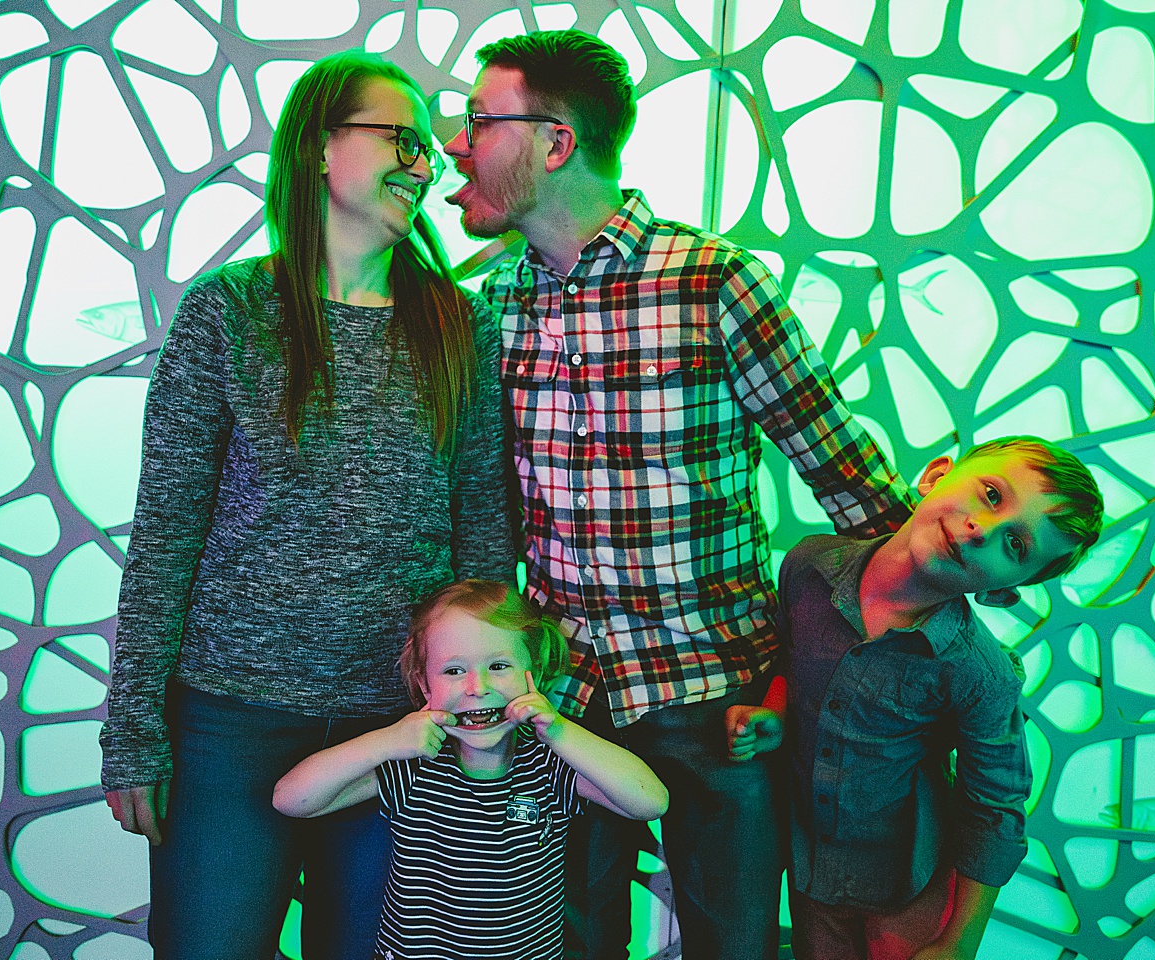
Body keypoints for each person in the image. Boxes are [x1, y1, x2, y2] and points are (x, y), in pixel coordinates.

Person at [441, 28, 915, 960]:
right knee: (559, 943)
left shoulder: (714, 279)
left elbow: (839, 465)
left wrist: (938, 601)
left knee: (732, 943)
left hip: (717, 693)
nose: (458, 144)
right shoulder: (494, 304)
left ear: (555, 140)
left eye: (478, 121)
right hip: (565, 692)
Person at [98, 51, 514, 960]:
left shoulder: (460, 326)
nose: (425, 162)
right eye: (401, 139)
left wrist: (482, 712)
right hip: (227, 724)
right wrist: (132, 726)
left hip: (398, 725)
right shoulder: (229, 312)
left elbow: (484, 533)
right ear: (321, 148)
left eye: (426, 149)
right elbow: (166, 533)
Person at [727, 436, 1103, 960]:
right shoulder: (808, 567)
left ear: (1002, 591)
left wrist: (958, 943)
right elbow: (795, 655)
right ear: (935, 475)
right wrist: (776, 711)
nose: (984, 530)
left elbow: (995, 809)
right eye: (992, 494)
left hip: (910, 885)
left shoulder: (981, 673)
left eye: (1015, 546)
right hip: (811, 871)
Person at [273, 579, 669, 960]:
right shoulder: (414, 765)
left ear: (535, 672)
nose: (477, 687)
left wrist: (560, 731)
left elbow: (649, 801)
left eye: (499, 666)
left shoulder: (550, 764)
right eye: (454, 671)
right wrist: (386, 740)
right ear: (425, 687)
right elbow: (292, 800)